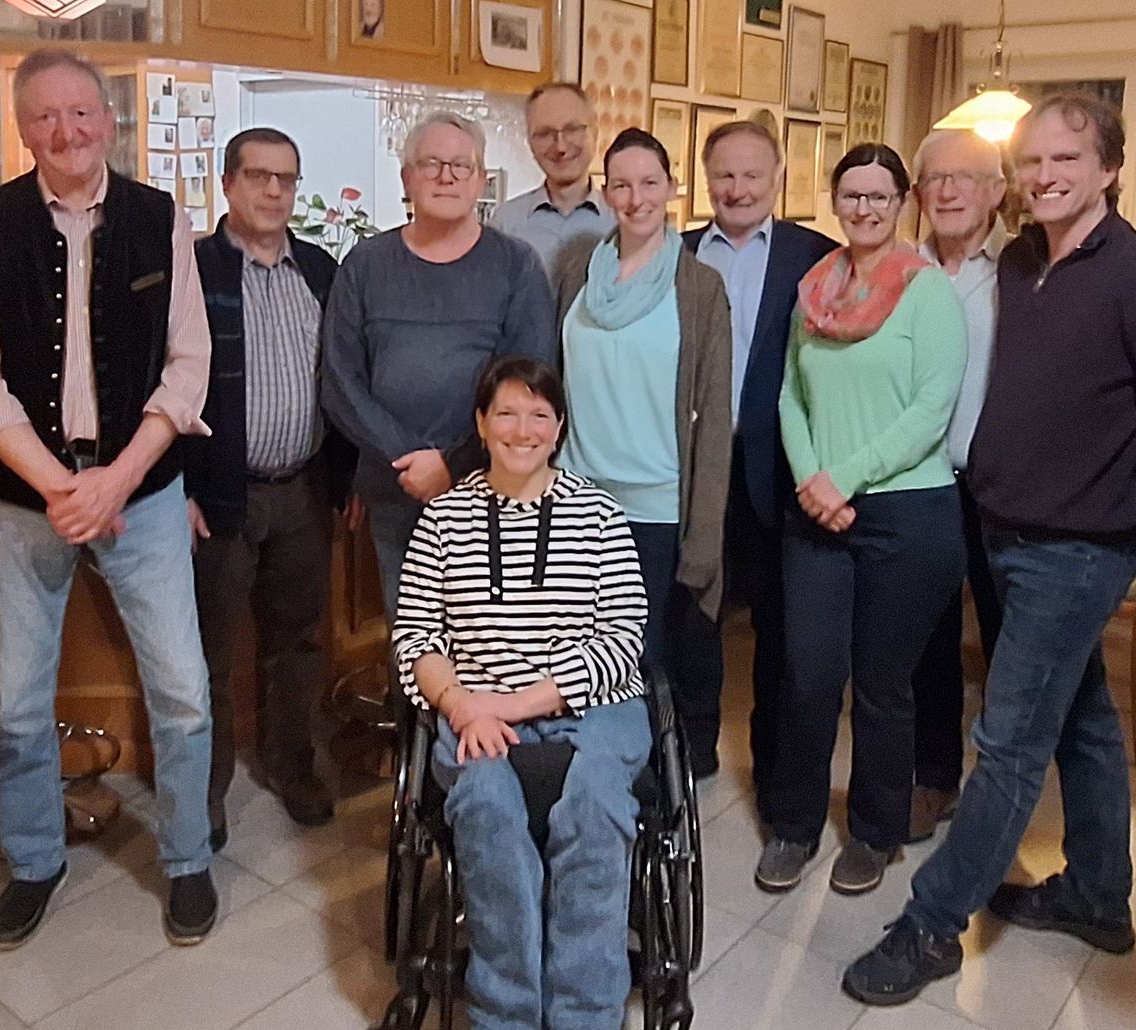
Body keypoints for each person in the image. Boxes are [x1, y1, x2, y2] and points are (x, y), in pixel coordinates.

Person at [844, 95, 1136, 1005]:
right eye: (1033, 160)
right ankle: (1098, 896)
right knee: (1082, 720)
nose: (1045, 176)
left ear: (1110, 169)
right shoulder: (1022, 262)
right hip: (1006, 530)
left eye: (1066, 160)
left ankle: (930, 926)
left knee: (1006, 741)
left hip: (1078, 551)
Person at [0, 48, 218, 948]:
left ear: (108, 119)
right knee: (20, 702)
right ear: (22, 128)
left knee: (182, 691)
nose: (66, 131)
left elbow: (188, 365)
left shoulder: (159, 217)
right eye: (45, 116)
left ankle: (186, 856)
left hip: (141, 489)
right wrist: (60, 485)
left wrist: (117, 479)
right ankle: (33, 859)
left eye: (80, 112)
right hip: (29, 496)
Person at [396, 355, 649, 1030]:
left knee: (597, 807)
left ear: (559, 427)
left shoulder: (599, 514)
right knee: (485, 807)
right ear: (481, 424)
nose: (522, 428)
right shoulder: (444, 518)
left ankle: (584, 1023)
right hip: (473, 709)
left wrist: (505, 706)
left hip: (591, 708)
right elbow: (416, 638)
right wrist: (460, 706)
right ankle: (504, 1020)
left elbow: (622, 640)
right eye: (506, 412)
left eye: (539, 414)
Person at [761, 144, 967, 896]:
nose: (865, 208)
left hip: (907, 513)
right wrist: (812, 481)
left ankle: (876, 833)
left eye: (880, 196)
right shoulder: (816, 286)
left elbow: (932, 410)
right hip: (817, 507)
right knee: (810, 675)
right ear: (835, 200)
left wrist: (842, 477)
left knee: (883, 686)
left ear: (902, 202)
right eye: (852, 195)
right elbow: (790, 394)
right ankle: (794, 825)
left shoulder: (927, 291)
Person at [189, 127, 354, 848]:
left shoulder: (318, 270)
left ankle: (292, 764)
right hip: (219, 493)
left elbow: (344, 376)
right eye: (258, 176)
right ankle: (205, 790)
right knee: (208, 652)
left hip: (303, 490)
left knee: (298, 641)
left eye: (286, 178)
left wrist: (346, 476)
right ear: (228, 183)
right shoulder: (194, 269)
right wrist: (178, 489)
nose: (273, 191)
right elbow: (162, 384)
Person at [322, 111, 557, 616]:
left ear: (480, 180)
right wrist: (409, 458)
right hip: (396, 489)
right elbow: (340, 382)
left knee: (493, 639)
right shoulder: (365, 265)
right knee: (411, 639)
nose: (446, 176)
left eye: (460, 165)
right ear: (407, 178)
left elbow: (529, 387)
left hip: (492, 493)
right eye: (431, 164)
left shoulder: (516, 266)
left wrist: (452, 464)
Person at [553, 128, 732, 777]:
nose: (636, 198)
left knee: (645, 657)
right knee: (579, 654)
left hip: (656, 508)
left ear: (672, 188)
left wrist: (704, 533)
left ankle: (651, 783)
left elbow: (714, 419)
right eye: (622, 185)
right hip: (576, 499)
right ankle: (590, 778)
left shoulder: (700, 287)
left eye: (649, 183)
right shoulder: (577, 270)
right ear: (606, 193)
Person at [683, 120, 837, 780]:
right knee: (695, 614)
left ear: (777, 178)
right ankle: (691, 752)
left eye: (752, 174)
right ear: (706, 179)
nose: (738, 188)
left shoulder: (819, 256)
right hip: (697, 468)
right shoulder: (677, 254)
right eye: (724, 174)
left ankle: (773, 765)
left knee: (779, 623)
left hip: (780, 467)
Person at [907, 129, 1011, 844]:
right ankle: (935, 775)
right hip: (918, 483)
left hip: (999, 485)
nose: (946, 192)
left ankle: (999, 793)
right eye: (934, 179)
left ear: (996, 191)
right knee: (929, 640)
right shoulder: (901, 267)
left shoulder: (1024, 270)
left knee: (1007, 642)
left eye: (964, 178)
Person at [489, 83, 614, 270]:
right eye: (544, 133)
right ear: (529, 142)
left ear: (595, 133)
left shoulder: (623, 222)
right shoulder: (505, 224)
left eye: (572, 129)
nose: (560, 147)